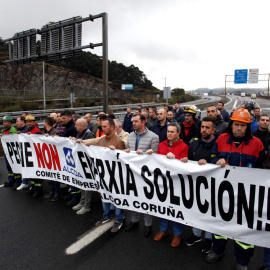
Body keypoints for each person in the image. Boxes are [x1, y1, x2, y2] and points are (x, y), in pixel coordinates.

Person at [206, 108, 264, 270]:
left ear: (247, 127)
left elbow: (262, 171)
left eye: (243, 125)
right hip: (223, 194)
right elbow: (212, 157)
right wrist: (217, 160)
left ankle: (242, 261)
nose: (239, 128)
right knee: (219, 225)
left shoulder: (257, 144)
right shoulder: (221, 139)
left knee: (244, 231)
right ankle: (217, 250)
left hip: (246, 196)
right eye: (236, 124)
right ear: (231, 125)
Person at [147, 122, 188, 247]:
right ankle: (163, 230)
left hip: (176, 183)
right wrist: (150, 155)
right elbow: (158, 161)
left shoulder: (184, 146)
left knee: (175, 208)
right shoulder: (162, 144)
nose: (169, 133)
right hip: (163, 181)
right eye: (168, 131)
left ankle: (177, 234)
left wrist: (175, 158)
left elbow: (185, 165)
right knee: (163, 206)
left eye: (172, 132)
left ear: (178, 133)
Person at [184, 117, 217, 253]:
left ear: (213, 130)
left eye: (207, 127)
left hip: (212, 185)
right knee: (196, 209)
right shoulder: (194, 144)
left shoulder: (218, 144)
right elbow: (189, 161)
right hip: (195, 184)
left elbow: (220, 160)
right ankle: (196, 233)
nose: (204, 130)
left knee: (209, 212)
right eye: (202, 127)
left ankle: (209, 238)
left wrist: (210, 163)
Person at [124, 113, 159, 237]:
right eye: (133, 121)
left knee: (146, 199)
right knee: (133, 197)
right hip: (132, 172)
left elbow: (154, 156)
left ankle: (148, 225)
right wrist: (126, 151)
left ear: (143, 122)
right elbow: (128, 150)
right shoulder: (131, 135)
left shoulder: (153, 137)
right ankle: (134, 220)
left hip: (146, 175)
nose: (133, 123)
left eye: (136, 121)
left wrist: (144, 153)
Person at [95, 118, 125, 233]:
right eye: (102, 127)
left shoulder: (118, 142)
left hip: (116, 176)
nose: (102, 129)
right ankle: (106, 215)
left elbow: (123, 160)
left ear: (112, 127)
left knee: (116, 196)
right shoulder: (101, 140)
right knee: (104, 195)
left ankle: (119, 218)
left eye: (105, 127)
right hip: (104, 174)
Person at [69, 118, 94, 213]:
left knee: (87, 185)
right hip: (81, 162)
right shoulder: (79, 133)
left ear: (82, 126)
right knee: (82, 183)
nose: (75, 126)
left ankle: (87, 205)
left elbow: (89, 148)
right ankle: (82, 201)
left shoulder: (88, 134)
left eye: (76, 125)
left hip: (87, 164)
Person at [24, 114, 43, 198]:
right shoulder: (26, 131)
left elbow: (39, 143)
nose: (28, 123)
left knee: (36, 175)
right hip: (29, 155)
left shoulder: (37, 131)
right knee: (31, 173)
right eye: (27, 122)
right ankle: (33, 187)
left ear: (34, 122)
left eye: (30, 122)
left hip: (35, 156)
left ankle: (38, 190)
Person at [2, 116, 19, 189]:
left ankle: (17, 181)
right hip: (6, 152)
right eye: (3, 122)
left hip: (13, 153)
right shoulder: (4, 131)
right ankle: (11, 180)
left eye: (5, 122)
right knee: (9, 167)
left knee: (14, 166)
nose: (3, 123)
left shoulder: (13, 130)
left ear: (9, 122)